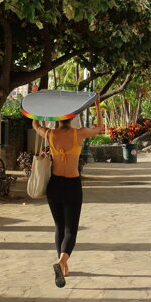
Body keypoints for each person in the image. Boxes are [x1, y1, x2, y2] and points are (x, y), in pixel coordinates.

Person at [32, 115, 105, 288]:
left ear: (57, 120)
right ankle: (61, 260)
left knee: (59, 227)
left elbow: (35, 125)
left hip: (54, 185)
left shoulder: (50, 134)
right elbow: (100, 128)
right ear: (71, 119)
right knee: (71, 230)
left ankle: (63, 265)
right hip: (72, 185)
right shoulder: (78, 134)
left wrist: (36, 110)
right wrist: (96, 103)